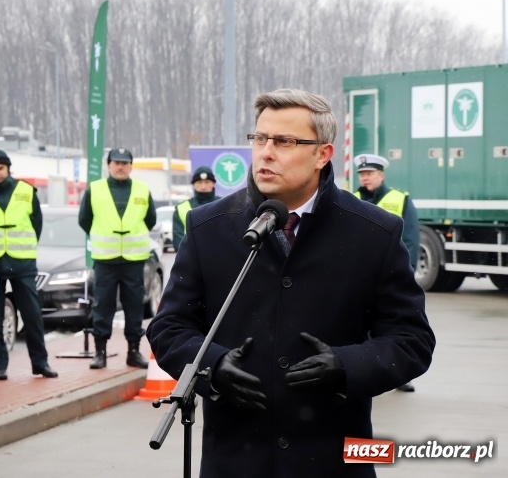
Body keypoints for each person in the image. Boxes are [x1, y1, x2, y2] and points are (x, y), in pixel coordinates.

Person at [146, 88, 435, 478]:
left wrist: (348, 366)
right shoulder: (209, 228)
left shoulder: (374, 233)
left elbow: (411, 340)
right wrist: (212, 365)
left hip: (333, 461)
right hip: (234, 460)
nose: (266, 152)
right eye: (260, 139)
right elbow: (169, 326)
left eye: (284, 141)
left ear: (322, 154)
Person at [0, 149, 58, 380]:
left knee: (32, 314)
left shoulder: (25, 190)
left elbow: (37, 224)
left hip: (22, 262)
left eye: (0, 168)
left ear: (8, 168)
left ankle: (40, 363)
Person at [78, 147, 156, 369]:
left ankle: (133, 351)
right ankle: (100, 352)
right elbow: (85, 220)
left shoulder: (142, 190)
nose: (120, 166)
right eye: (116, 162)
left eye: (125, 163)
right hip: (105, 260)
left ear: (131, 166)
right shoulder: (95, 190)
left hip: (133, 259)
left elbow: (150, 219)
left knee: (134, 306)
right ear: (108, 165)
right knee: (103, 305)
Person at [354, 152, 420, 393]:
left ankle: (400, 376)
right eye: (362, 174)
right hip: (359, 277)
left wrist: (405, 274)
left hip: (389, 275)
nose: (365, 178)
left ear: (381, 175)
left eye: (369, 174)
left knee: (393, 328)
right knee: (360, 330)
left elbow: (411, 239)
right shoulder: (349, 199)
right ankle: (364, 375)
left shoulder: (399, 199)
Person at [172, 165, 221, 251]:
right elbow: (178, 241)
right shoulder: (181, 208)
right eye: (199, 182)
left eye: (207, 182)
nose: (203, 186)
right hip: (191, 261)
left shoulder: (224, 204)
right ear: (193, 185)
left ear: (214, 184)